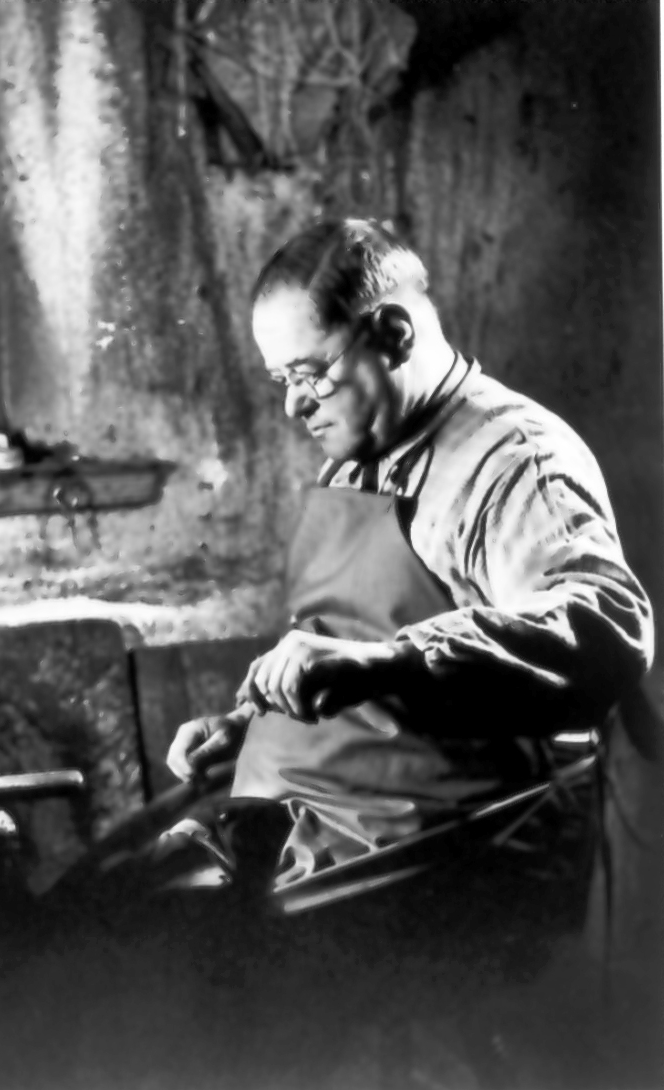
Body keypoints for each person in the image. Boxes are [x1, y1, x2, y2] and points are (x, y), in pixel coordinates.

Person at [166, 216, 654, 898]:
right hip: (298, 818)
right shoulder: (361, 453)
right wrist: (247, 723)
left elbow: (606, 624)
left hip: (423, 858)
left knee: (156, 939)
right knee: (110, 901)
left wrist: (392, 661)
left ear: (393, 335)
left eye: (310, 374)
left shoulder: (513, 460)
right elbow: (342, 640)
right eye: (282, 379)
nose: (292, 405)